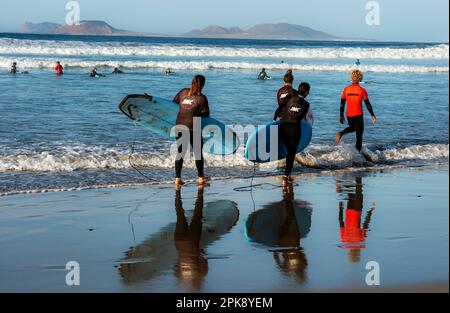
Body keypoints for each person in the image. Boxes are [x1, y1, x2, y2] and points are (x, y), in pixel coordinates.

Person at [173, 75, 210, 186]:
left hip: (179, 125)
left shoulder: (183, 92)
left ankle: (177, 179)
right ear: (202, 84)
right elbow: (207, 114)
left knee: (180, 153)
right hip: (194, 127)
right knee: (198, 153)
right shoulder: (202, 98)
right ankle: (200, 178)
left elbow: (173, 103)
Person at [277, 82, 311, 186]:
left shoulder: (289, 99)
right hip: (294, 129)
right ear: (306, 92)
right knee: (291, 153)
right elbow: (301, 117)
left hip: (282, 126)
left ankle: (280, 168)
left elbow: (280, 110)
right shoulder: (306, 104)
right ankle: (286, 175)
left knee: (284, 148)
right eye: (308, 92)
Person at [335, 69, 376, 152]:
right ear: (360, 78)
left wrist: (341, 115)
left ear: (352, 77)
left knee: (352, 128)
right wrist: (372, 115)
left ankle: (341, 133)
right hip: (358, 115)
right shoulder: (362, 90)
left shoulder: (346, 89)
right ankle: (357, 155)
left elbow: (342, 104)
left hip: (349, 115)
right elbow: (367, 104)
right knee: (359, 136)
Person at [337, 177, 376, 263]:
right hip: (349, 210)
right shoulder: (344, 240)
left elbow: (366, 223)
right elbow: (340, 221)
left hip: (357, 210)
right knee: (351, 193)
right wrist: (340, 209)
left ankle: (357, 171)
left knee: (358, 190)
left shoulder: (360, 240)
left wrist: (371, 211)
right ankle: (344, 178)